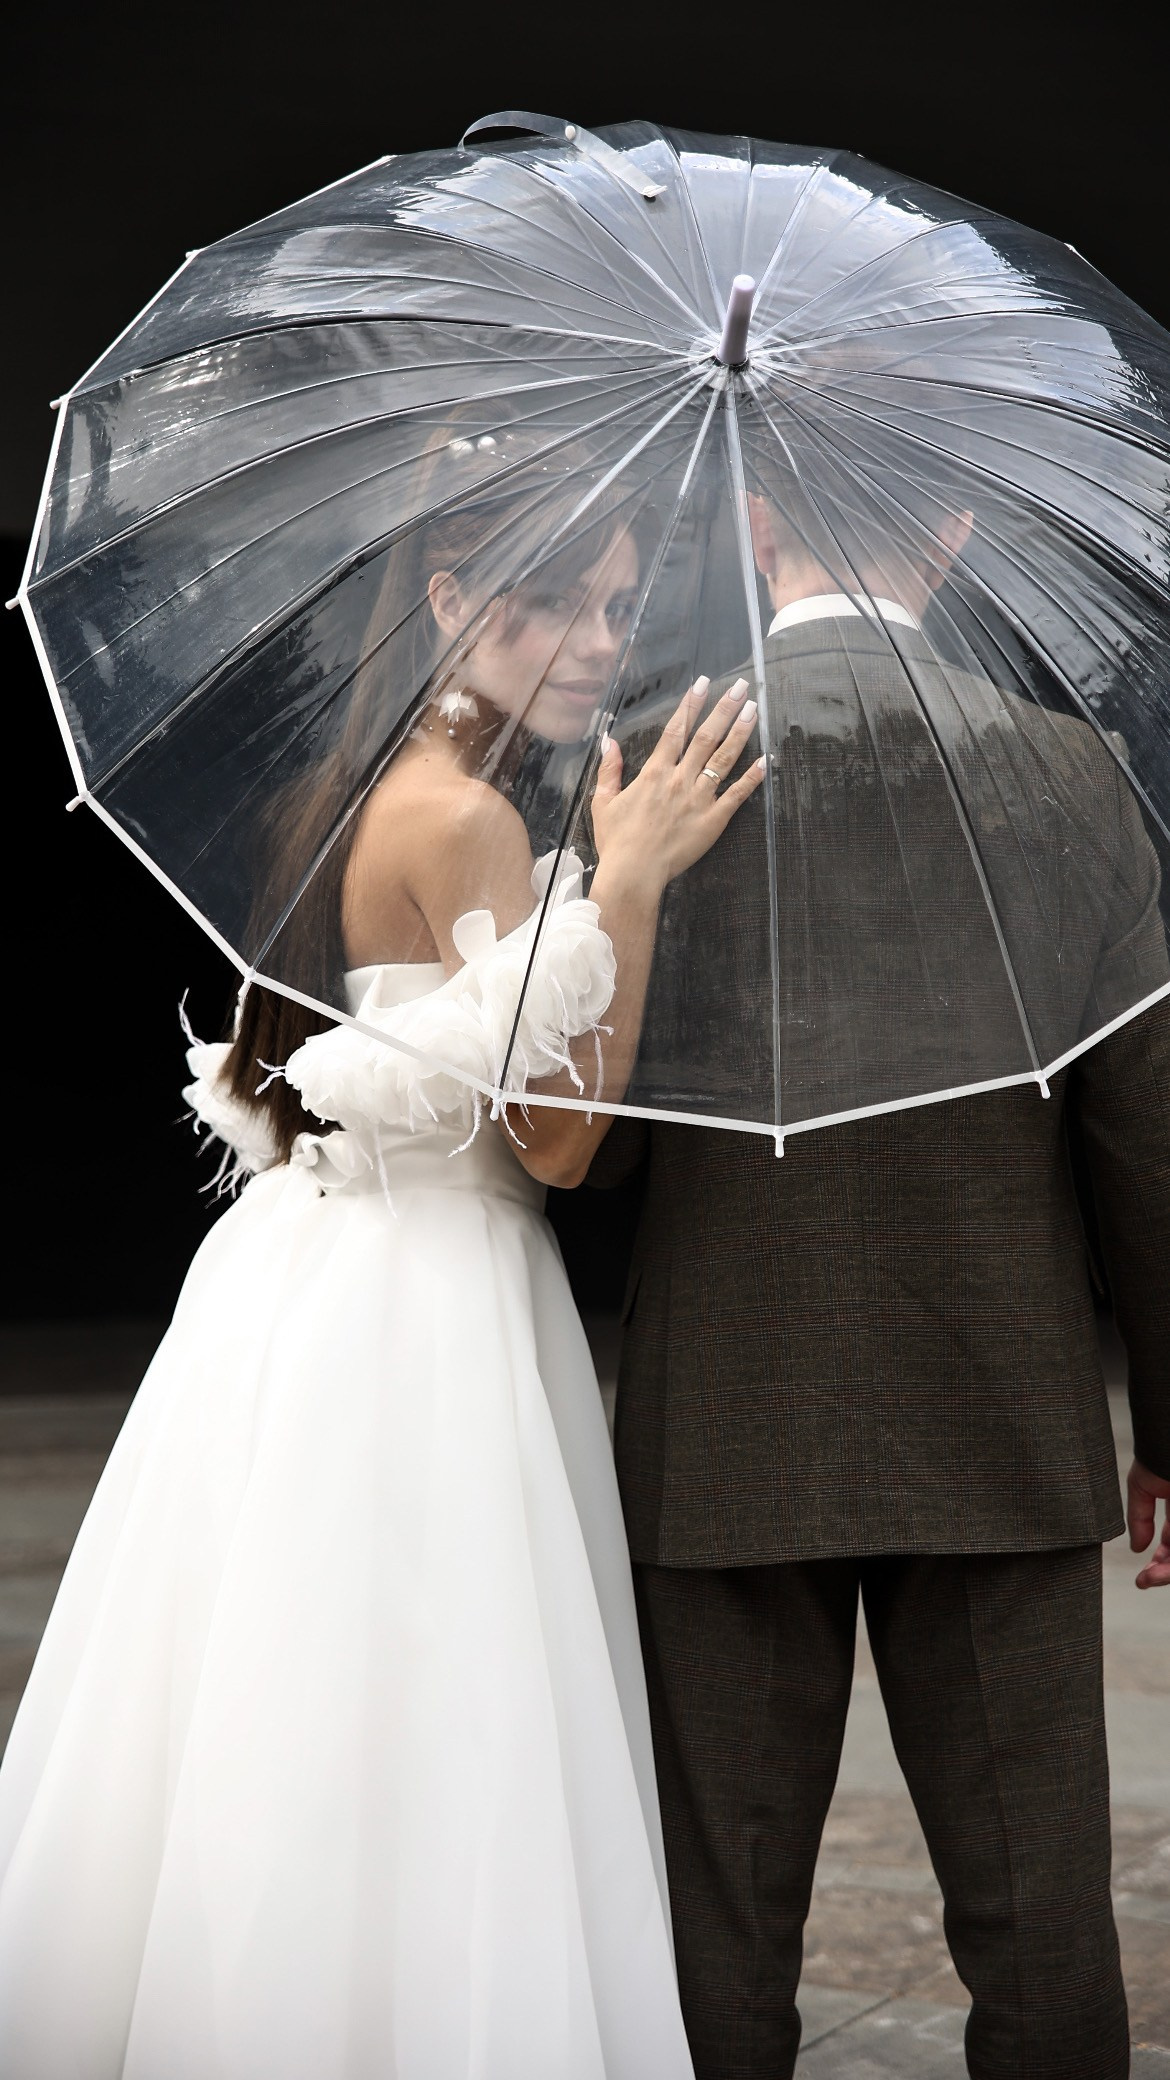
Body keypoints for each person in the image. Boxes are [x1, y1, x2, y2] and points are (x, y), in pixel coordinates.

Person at [0, 433, 764, 2079]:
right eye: (547, 601)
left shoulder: (333, 793)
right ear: (445, 599)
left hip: (290, 1286)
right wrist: (624, 889)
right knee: (434, 1721)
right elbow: (556, 1147)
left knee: (272, 1704)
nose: (590, 641)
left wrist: (591, 894)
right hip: (433, 1309)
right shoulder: (473, 827)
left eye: (617, 605)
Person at [590, 473, 1170, 2080]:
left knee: (719, 1931)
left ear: (758, 518)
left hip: (726, 1428)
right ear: (956, 534)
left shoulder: (658, 769)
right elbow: (1147, 1145)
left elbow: (600, 1148)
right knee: (1039, 1919)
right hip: (996, 1416)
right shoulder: (1067, 771)